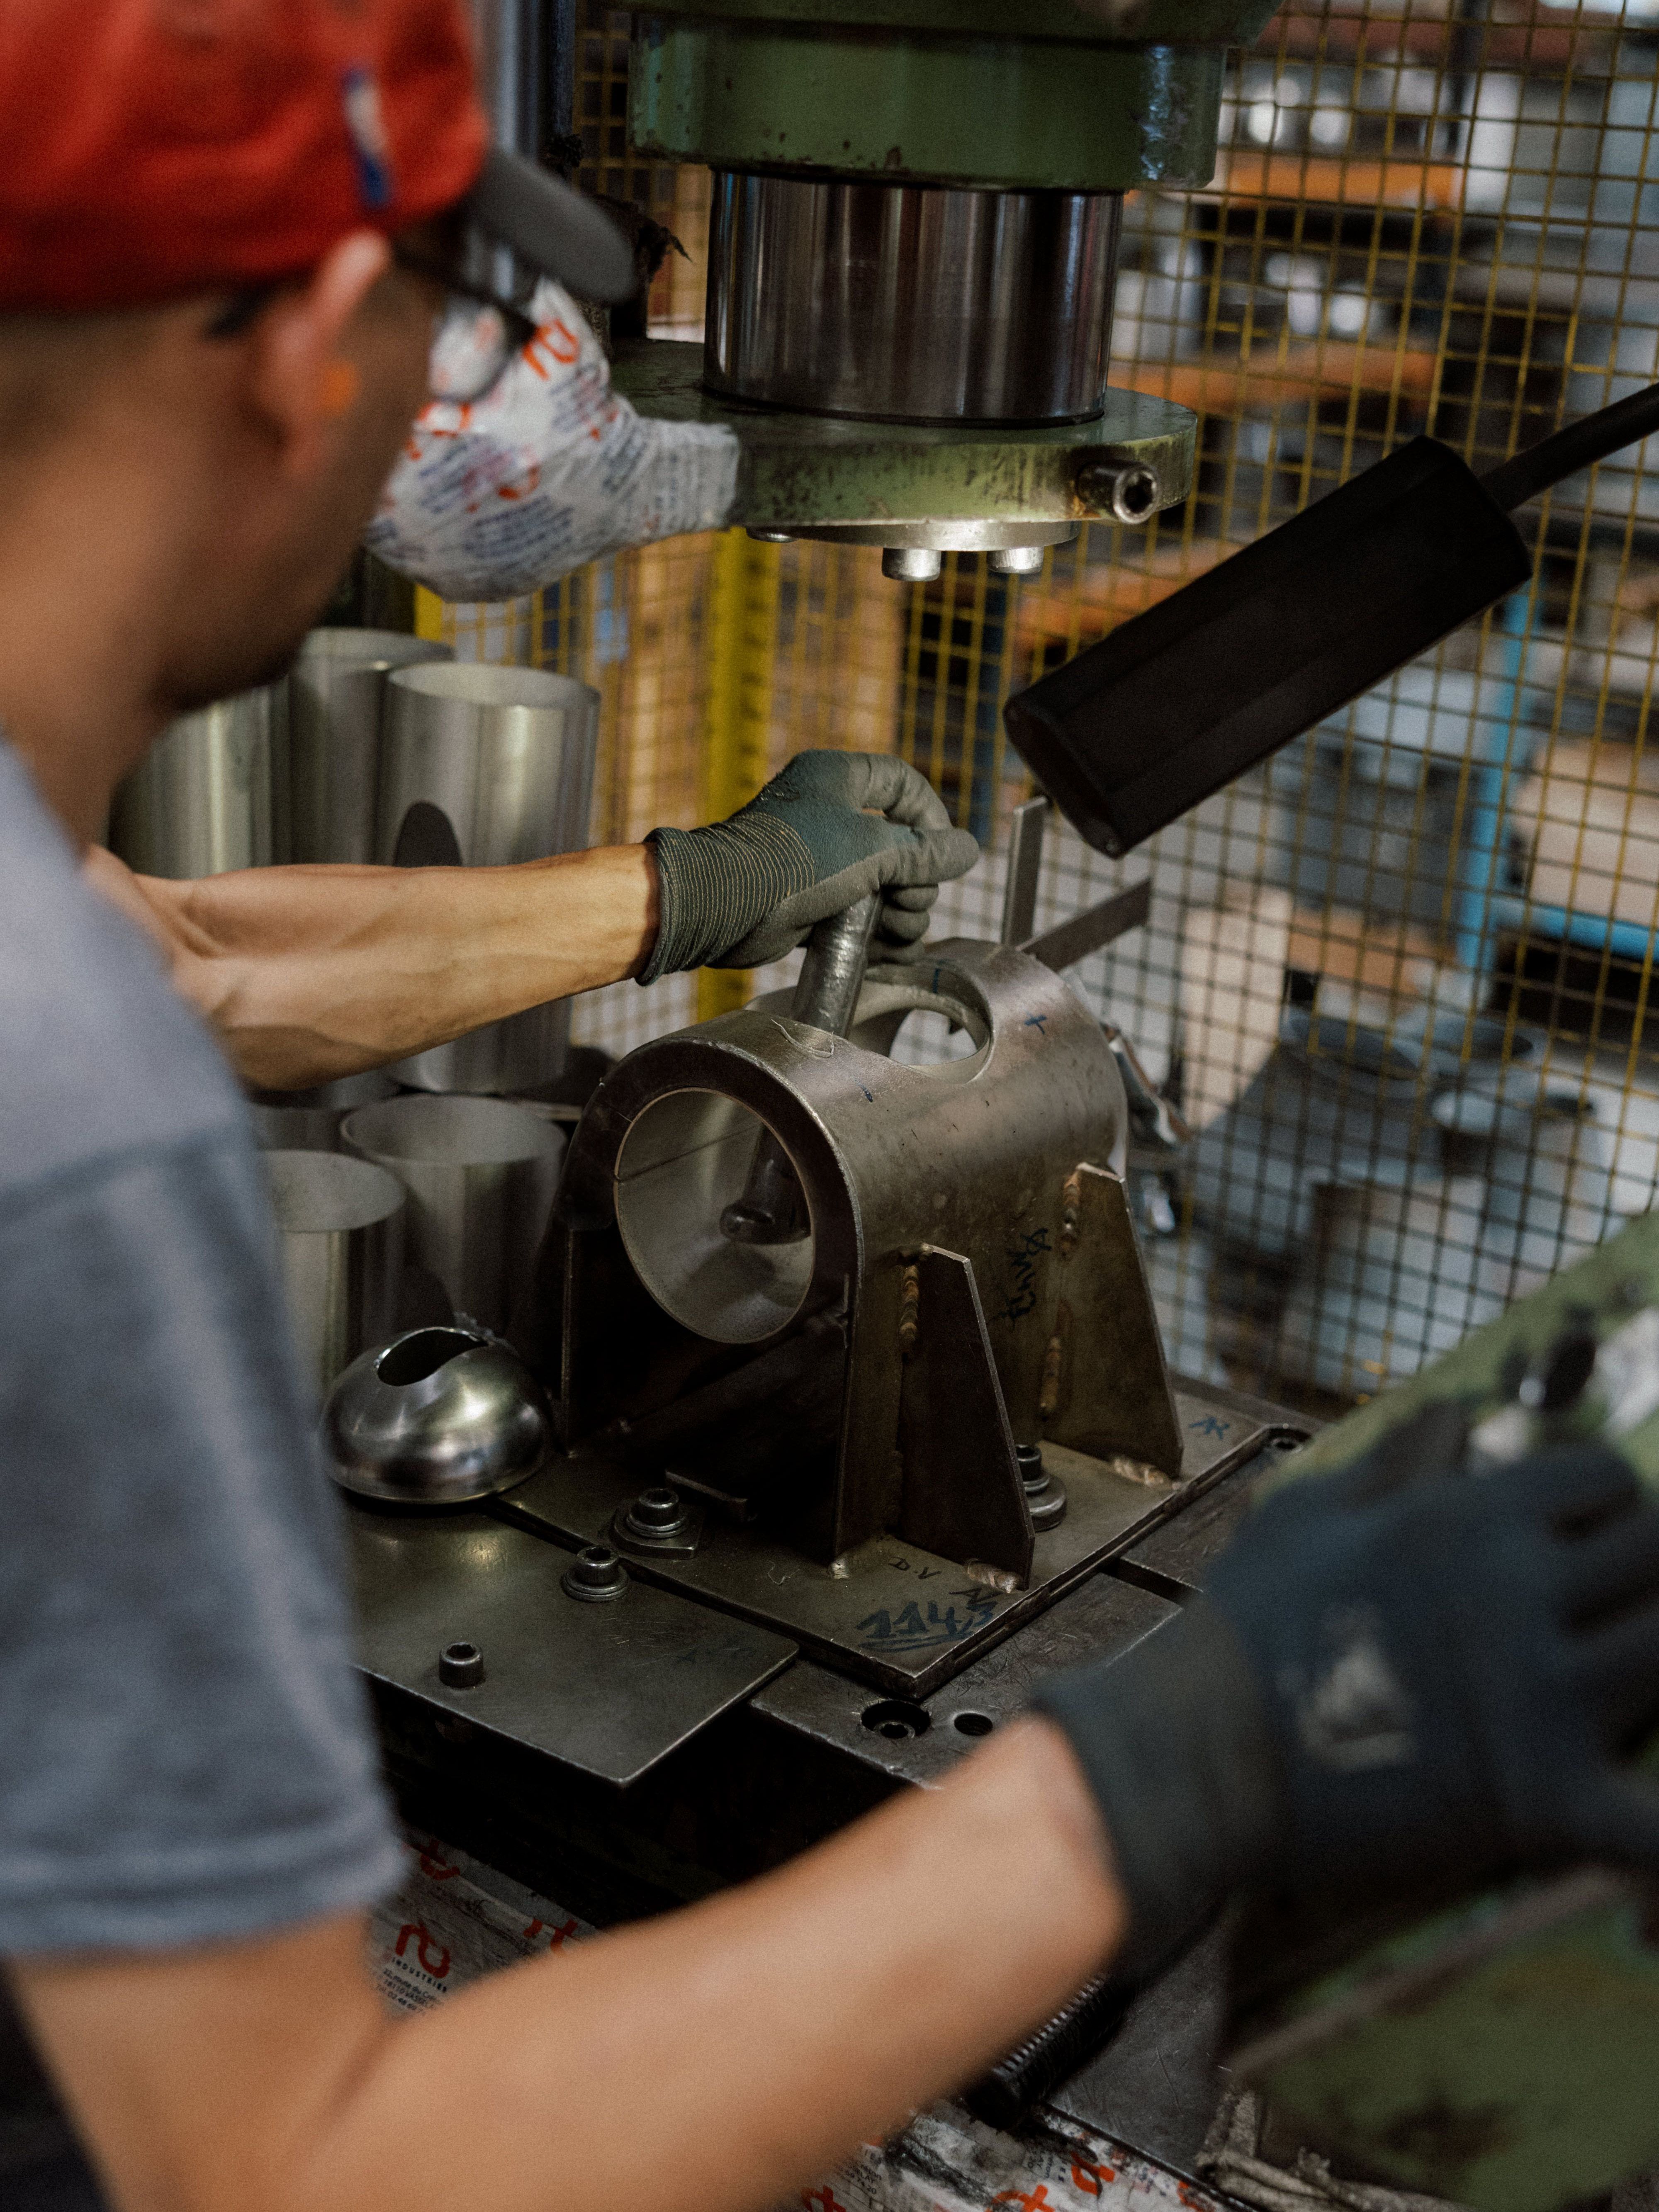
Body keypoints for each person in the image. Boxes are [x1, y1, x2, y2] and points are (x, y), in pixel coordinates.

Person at [5, 8, 1659, 2212]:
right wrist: (1178, 1759)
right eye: (452, 317)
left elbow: (180, 962)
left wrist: (700, 884)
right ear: (313, 335)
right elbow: (308, 2166)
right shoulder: (83, 1140)